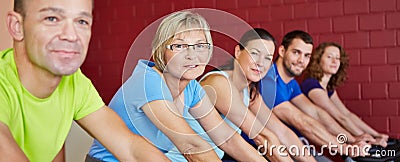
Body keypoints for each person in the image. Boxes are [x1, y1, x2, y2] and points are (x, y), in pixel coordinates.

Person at [0, 0, 170, 161]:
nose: (71, 36)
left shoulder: (73, 82)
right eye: (52, 19)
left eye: (81, 21)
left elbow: (130, 148)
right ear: (17, 26)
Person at [88, 11, 267, 162]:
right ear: (161, 51)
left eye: (200, 46)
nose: (192, 55)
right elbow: (191, 145)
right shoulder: (148, 82)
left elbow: (227, 140)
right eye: (179, 46)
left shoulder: (192, 88)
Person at [200, 28, 315, 161]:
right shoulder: (219, 83)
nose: (260, 63)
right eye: (254, 53)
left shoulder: (249, 91)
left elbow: (282, 132)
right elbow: (261, 136)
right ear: (238, 52)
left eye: (268, 58)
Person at [259, 30, 371, 159]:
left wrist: (352, 140)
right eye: (296, 53)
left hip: (295, 147)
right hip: (268, 152)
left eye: (307, 55)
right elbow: (299, 120)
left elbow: (315, 113)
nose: (301, 60)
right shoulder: (268, 80)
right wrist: (344, 147)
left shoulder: (292, 84)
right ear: (282, 51)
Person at [301, 42, 389, 147]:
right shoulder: (311, 85)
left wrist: (375, 135)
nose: (334, 61)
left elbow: (347, 114)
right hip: (302, 140)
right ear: (318, 60)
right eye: (329, 57)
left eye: (337, 58)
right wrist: (366, 138)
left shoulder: (328, 89)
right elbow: (340, 117)